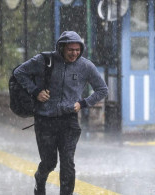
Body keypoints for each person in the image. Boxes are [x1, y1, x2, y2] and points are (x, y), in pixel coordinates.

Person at [14, 31, 108, 195]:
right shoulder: (44, 60)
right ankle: (40, 179)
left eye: (77, 50)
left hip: (69, 120)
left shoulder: (85, 66)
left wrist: (83, 103)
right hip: (45, 120)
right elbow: (19, 72)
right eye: (70, 49)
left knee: (67, 163)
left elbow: (102, 89)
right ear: (61, 47)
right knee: (49, 162)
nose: (74, 53)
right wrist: (36, 91)